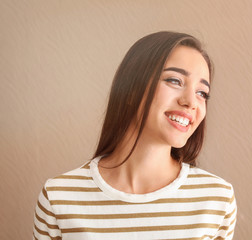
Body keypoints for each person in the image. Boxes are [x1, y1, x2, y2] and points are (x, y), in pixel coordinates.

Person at [33, 31, 237, 239]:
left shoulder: (217, 199)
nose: (191, 102)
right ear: (131, 90)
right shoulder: (59, 198)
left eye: (202, 93)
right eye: (175, 81)